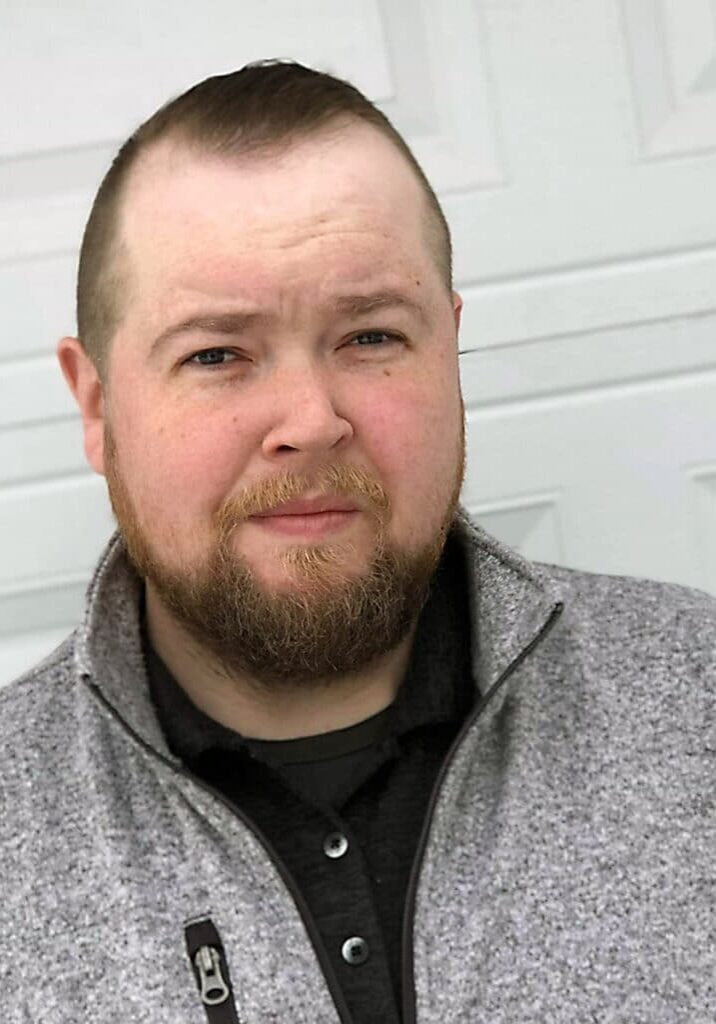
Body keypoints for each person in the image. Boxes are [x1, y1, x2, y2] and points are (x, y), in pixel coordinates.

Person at [1, 59, 715, 1024]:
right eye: (216, 354)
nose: (310, 419)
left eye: (371, 336)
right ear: (97, 406)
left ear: (449, 352)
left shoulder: (696, 700)